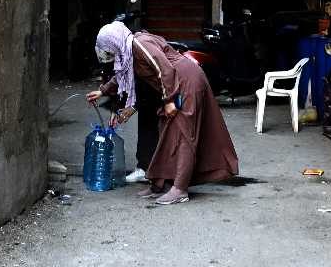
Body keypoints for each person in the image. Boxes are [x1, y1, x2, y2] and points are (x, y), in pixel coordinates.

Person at [86, 21, 239, 205]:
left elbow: (163, 69)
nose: (110, 54)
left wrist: (169, 100)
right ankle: (161, 183)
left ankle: (180, 189)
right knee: (166, 133)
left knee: (183, 135)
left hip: (186, 82)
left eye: (110, 50)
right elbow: (123, 75)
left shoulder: (139, 44)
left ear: (114, 42)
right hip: (176, 84)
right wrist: (103, 91)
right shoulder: (127, 52)